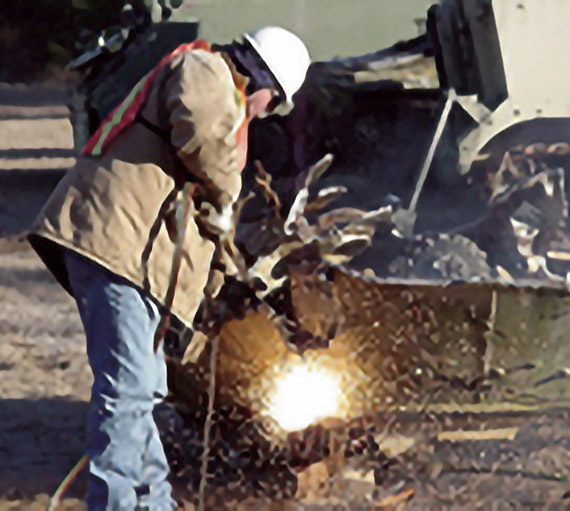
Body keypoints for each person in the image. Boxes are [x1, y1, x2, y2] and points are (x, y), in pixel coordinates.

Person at [28, 26, 311, 511]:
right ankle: (115, 504)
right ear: (264, 80)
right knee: (128, 389)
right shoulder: (205, 69)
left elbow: (201, 219)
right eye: (273, 103)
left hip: (132, 257)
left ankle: (153, 502)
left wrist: (225, 285)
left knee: (145, 388)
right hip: (113, 244)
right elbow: (199, 137)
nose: (265, 114)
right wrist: (227, 194)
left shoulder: (223, 106)